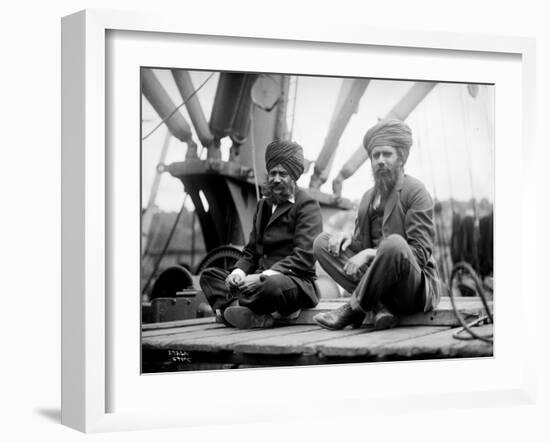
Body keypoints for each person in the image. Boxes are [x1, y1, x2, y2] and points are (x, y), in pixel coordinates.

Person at [313, 119, 446, 330]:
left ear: (401, 158)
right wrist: (348, 238)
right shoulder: (367, 198)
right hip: (380, 284)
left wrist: (369, 253)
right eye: (375, 156)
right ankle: (380, 306)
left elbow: (419, 254)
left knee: (394, 243)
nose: (380, 161)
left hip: (411, 286)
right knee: (322, 242)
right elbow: (360, 243)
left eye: (387, 154)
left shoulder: (415, 191)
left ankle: (354, 310)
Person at [199, 139, 323, 329]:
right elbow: (251, 252)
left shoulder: (307, 205)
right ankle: (251, 313)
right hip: (257, 279)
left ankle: (233, 309)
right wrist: (238, 273)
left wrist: (262, 277)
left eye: (283, 174)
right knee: (209, 276)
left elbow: (304, 257)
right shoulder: (263, 205)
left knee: (271, 287)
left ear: (294, 176)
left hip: (293, 281)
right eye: (272, 173)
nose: (276, 179)